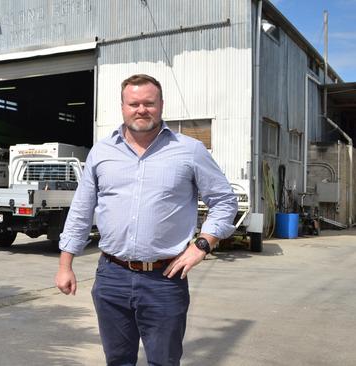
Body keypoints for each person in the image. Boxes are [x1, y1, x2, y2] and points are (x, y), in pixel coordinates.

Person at [55, 74, 238, 366]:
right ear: (123, 107)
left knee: (164, 361)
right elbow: (81, 209)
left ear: (161, 105)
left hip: (164, 280)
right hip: (111, 276)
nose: (142, 109)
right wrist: (66, 265)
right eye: (134, 103)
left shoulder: (189, 151)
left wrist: (203, 244)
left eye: (149, 103)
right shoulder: (102, 152)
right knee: (117, 360)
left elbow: (225, 201)